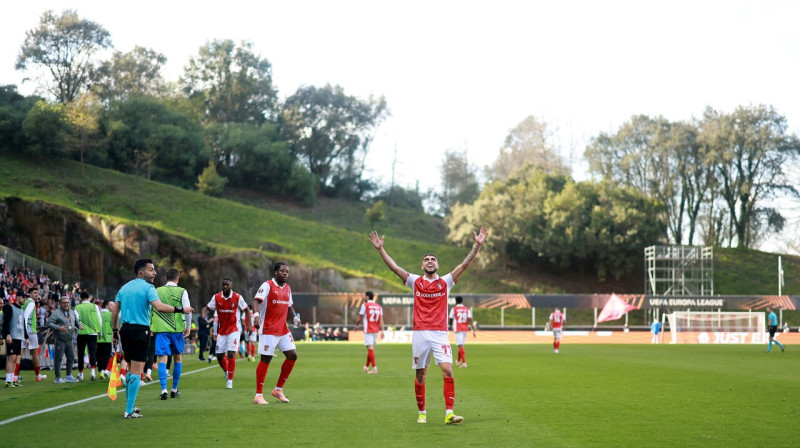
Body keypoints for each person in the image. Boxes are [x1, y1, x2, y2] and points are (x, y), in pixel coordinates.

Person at [368, 226, 488, 425]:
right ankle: (422, 412)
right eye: (426, 260)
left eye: (433, 259)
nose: (430, 262)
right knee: (421, 373)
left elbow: (465, 265)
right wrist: (381, 250)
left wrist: (477, 246)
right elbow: (395, 268)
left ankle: (449, 413)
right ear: (422, 265)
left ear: (437, 264)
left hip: (440, 334)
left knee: (448, 370)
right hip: (420, 333)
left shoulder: (446, 282)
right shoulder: (415, 281)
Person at [112, 258, 194, 419]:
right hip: (140, 330)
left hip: (125, 330)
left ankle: (130, 405)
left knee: (129, 367)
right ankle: (128, 410)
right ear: (141, 272)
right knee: (137, 369)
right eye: (151, 269)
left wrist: (115, 331)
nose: (155, 272)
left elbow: (115, 310)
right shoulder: (149, 288)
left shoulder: (124, 287)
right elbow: (160, 307)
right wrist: (181, 309)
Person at [252, 262, 301, 405]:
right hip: (268, 329)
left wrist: (295, 317)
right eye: (282, 271)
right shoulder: (267, 285)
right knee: (266, 359)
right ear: (276, 273)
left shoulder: (287, 288)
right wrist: (256, 315)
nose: (285, 273)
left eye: (287, 272)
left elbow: (289, 305)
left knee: (292, 356)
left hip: (283, 329)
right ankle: (258, 395)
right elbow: (256, 300)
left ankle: (278, 389)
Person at [153, 268, 192, 400]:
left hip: (161, 329)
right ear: (178, 279)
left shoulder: (156, 291)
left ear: (165, 278)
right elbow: (187, 310)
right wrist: (188, 327)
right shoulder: (182, 291)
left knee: (162, 359)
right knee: (177, 358)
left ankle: (164, 390)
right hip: (177, 329)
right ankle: (174, 389)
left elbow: (150, 309)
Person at [205, 278, 251, 389]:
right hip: (222, 331)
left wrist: (249, 325)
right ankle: (226, 371)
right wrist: (204, 315)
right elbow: (206, 308)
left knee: (231, 353)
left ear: (231, 285)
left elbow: (247, 310)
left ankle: (230, 381)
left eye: (227, 284)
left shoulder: (237, 297)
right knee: (220, 355)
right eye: (223, 285)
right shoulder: (216, 297)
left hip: (234, 329)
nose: (225, 286)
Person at [46, 296, 80, 384]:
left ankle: (68, 375)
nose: (66, 304)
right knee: (59, 358)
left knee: (71, 357)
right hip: (60, 339)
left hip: (69, 339)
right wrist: (58, 328)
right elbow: (49, 323)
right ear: (60, 304)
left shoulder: (72, 312)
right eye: (64, 302)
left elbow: (76, 321)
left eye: (67, 302)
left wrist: (79, 325)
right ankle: (58, 377)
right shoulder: (56, 313)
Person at [75, 291, 102, 381]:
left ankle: (81, 373)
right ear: (89, 297)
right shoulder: (94, 306)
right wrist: (100, 331)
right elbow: (99, 318)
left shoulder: (77, 307)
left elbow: (76, 320)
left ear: (80, 298)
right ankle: (93, 372)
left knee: (81, 353)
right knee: (92, 352)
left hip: (82, 332)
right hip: (93, 332)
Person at [355, 291, 383, 374]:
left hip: (368, 329)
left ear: (367, 297)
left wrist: (357, 325)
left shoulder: (365, 305)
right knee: (370, 349)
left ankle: (375, 368)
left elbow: (360, 317)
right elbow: (381, 319)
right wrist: (383, 330)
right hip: (376, 330)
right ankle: (366, 366)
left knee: (370, 349)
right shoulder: (378, 306)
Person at [22, 287, 47, 381]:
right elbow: (25, 316)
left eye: (37, 293)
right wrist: (26, 332)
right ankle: (38, 375)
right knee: (34, 352)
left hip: (22, 330)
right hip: (30, 331)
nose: (37, 294)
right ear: (30, 294)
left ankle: (14, 377)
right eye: (35, 293)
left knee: (19, 353)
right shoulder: (31, 303)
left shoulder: (24, 303)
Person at [3, 292, 26, 387]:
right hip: (12, 336)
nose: (25, 299)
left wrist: (26, 338)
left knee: (16, 358)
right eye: (23, 297)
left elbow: (23, 325)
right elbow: (6, 322)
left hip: (19, 337)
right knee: (11, 358)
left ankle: (12, 380)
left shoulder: (21, 310)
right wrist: (7, 334)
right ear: (18, 297)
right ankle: (8, 381)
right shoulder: (10, 308)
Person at [448, 296, 476, 368]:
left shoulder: (454, 309)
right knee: (461, 345)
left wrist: (450, 326)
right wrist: (473, 329)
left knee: (460, 345)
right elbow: (470, 319)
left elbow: (450, 318)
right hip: (465, 328)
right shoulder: (466, 309)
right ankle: (458, 361)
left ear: (456, 301)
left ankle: (464, 363)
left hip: (458, 328)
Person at [97, 300, 114, 379]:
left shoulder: (98, 314)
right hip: (107, 338)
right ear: (107, 306)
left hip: (98, 338)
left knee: (99, 355)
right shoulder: (111, 314)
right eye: (110, 305)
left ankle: (100, 370)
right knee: (106, 356)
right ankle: (104, 371)